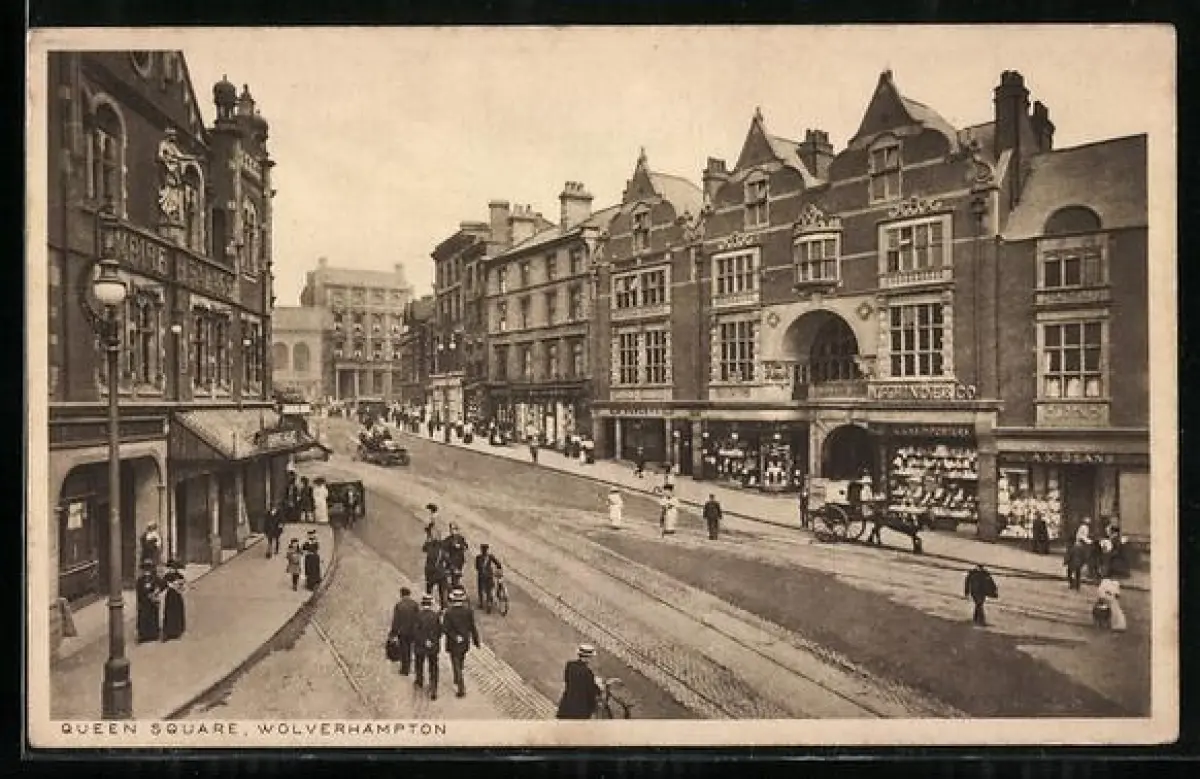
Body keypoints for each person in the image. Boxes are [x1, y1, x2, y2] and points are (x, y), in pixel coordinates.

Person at [442, 587, 481, 698]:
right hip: (464, 641)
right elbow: (472, 627)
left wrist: (455, 637)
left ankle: (461, 686)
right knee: (460, 660)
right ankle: (457, 677)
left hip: (453, 643)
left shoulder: (448, 613)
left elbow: (445, 629)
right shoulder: (468, 611)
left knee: (455, 664)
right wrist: (476, 641)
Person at [556, 644, 601, 719]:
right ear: (588, 658)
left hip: (566, 707)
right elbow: (591, 693)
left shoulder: (570, 665)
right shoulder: (588, 672)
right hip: (580, 711)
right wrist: (598, 687)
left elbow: (567, 680)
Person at [413, 594, 443, 699]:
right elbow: (440, 631)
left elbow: (415, 632)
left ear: (422, 604)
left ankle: (419, 681)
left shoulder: (417, 616)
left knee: (419, 664)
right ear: (430, 604)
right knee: (433, 666)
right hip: (433, 646)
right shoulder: (435, 616)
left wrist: (424, 641)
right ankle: (433, 688)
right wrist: (432, 641)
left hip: (420, 646)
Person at [388, 586, 420, 676]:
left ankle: (404, 669)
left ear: (401, 594)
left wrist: (393, 633)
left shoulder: (399, 605)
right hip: (412, 631)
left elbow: (396, 620)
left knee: (403, 649)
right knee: (410, 649)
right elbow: (418, 618)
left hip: (402, 631)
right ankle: (409, 667)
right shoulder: (415, 604)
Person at [135, 560, 163, 643]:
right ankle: (143, 635)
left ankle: (153, 634)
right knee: (143, 618)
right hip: (144, 602)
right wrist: (139, 602)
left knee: (153, 617)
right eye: (145, 569)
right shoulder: (140, 580)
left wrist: (156, 592)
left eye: (148, 568)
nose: (147, 571)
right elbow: (138, 592)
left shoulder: (154, 578)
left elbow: (162, 585)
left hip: (152, 602)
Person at [160, 559, 187, 641]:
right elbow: (162, 586)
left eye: (173, 568)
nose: (172, 569)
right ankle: (168, 632)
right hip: (170, 596)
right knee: (169, 613)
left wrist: (180, 586)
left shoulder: (180, 576)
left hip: (177, 596)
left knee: (177, 613)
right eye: (170, 567)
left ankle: (177, 631)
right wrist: (167, 585)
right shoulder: (167, 576)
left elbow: (183, 587)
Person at [423, 533, 449, 608]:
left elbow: (424, 548)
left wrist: (428, 539)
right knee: (443, 590)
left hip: (430, 574)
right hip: (440, 574)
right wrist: (447, 569)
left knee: (429, 590)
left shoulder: (429, 549)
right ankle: (443, 606)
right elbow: (448, 561)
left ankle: (428, 605)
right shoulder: (442, 552)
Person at [475, 544, 503, 610]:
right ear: (487, 550)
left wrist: (481, 570)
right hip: (489, 575)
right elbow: (498, 564)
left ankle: (481, 602)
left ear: (481, 550)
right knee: (489, 589)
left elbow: (476, 567)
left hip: (481, 575)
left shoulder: (478, 557)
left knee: (480, 588)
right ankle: (488, 602)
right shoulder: (490, 556)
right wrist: (499, 568)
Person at [443, 523, 469, 587]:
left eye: (453, 529)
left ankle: (455, 587)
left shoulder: (461, 538)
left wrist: (460, 546)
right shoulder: (448, 539)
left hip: (459, 561)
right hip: (450, 561)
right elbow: (443, 547)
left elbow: (466, 547)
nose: (451, 531)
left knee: (456, 578)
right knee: (448, 577)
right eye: (450, 529)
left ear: (456, 530)